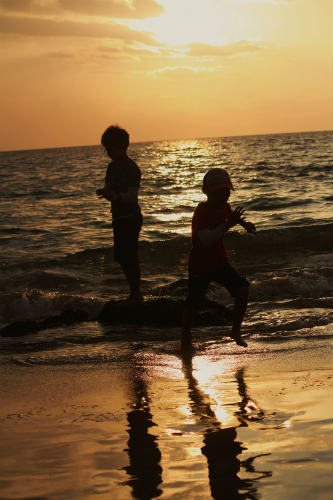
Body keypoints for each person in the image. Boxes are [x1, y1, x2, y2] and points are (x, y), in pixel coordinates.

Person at [182, 168, 256, 349]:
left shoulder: (225, 207)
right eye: (218, 192)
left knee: (243, 290)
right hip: (200, 265)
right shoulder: (201, 212)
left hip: (219, 261)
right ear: (206, 191)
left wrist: (244, 224)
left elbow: (231, 219)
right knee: (194, 304)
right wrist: (226, 225)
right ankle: (185, 336)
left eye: (226, 191)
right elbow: (206, 240)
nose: (223, 196)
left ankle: (235, 330)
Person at [96, 125, 143, 303]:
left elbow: (132, 197)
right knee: (121, 256)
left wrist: (114, 195)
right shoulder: (111, 168)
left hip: (131, 217)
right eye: (106, 149)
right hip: (118, 217)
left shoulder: (132, 169)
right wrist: (106, 193)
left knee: (130, 255)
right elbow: (109, 190)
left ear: (122, 147)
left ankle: (135, 292)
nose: (108, 152)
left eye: (110, 149)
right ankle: (133, 291)